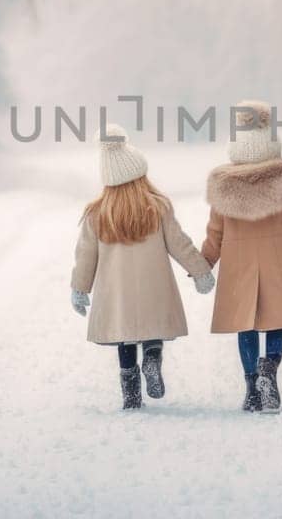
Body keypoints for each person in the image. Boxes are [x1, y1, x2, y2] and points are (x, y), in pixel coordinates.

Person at [71, 125, 216, 410]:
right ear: (141, 175)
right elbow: (180, 244)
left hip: (118, 294)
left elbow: (85, 256)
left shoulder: (97, 214)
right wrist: (200, 271)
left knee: (124, 339)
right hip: (154, 288)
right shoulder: (157, 206)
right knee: (151, 330)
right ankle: (152, 357)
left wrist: (79, 288)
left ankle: (132, 396)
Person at [202, 101, 282, 413]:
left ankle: (251, 389)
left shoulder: (223, 186)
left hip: (239, 270)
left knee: (245, 327)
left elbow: (214, 236)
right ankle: (269, 368)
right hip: (280, 266)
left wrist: (202, 265)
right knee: (277, 321)